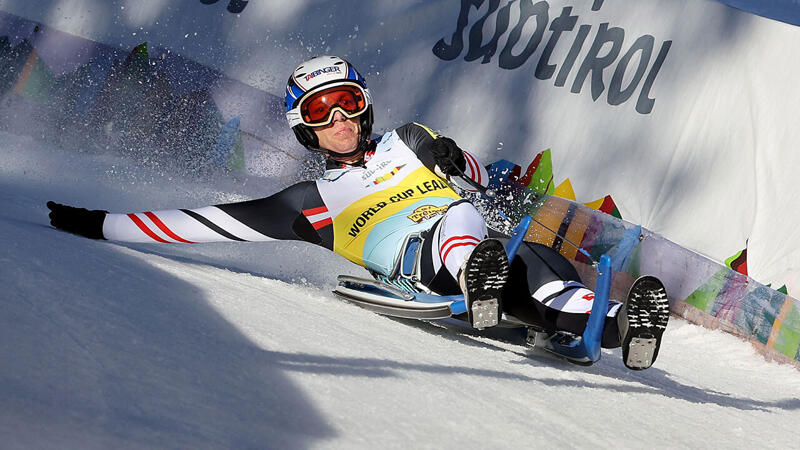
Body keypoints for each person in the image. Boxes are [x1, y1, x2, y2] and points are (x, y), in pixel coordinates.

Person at [47, 56, 668, 369]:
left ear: (365, 106)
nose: (339, 121)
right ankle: (475, 278)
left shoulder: (409, 141)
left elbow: (482, 180)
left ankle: (620, 327)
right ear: (304, 130)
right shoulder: (307, 204)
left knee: (541, 267)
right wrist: (94, 222)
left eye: (345, 103)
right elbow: (198, 223)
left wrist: (458, 158)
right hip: (421, 265)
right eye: (321, 113)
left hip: (488, 249)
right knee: (460, 225)